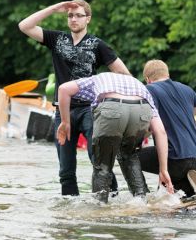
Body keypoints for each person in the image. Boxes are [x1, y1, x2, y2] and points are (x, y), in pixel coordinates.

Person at [18, 0, 130, 196]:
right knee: (66, 170)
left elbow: (124, 74)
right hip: (63, 111)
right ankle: (69, 212)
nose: (74, 19)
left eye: (78, 15)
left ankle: (112, 201)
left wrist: (113, 98)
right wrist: (53, 8)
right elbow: (24, 26)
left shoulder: (98, 45)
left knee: (98, 162)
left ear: (88, 19)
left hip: (90, 110)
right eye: (70, 16)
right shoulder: (57, 39)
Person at [56, 72, 174, 202]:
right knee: (129, 156)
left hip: (112, 107)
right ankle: (142, 201)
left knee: (102, 166)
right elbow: (160, 131)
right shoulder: (139, 85)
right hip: (141, 108)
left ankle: (99, 208)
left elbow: (63, 89)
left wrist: (65, 122)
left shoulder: (97, 78)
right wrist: (163, 170)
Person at [138, 59, 196, 198]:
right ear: (167, 74)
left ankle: (140, 195)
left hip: (173, 158)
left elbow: (149, 127)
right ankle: (189, 190)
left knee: (129, 156)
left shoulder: (149, 90)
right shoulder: (186, 89)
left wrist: (134, 140)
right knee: (175, 198)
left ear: (148, 79)